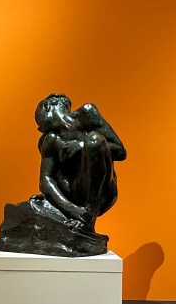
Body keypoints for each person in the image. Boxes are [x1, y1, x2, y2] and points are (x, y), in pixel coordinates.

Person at [34, 94, 126, 230]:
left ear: (47, 106)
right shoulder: (50, 140)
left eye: (38, 120)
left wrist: (82, 146)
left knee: (94, 139)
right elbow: (46, 179)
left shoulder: (86, 114)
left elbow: (120, 151)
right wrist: (73, 210)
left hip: (103, 193)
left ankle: (89, 214)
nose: (39, 128)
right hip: (74, 194)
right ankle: (83, 216)